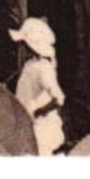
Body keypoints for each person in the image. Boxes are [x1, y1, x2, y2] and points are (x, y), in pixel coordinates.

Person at [10, 17, 66, 155]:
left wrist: (39, 112)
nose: (20, 48)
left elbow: (59, 98)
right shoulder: (30, 66)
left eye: (23, 45)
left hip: (41, 131)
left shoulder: (42, 68)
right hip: (28, 127)